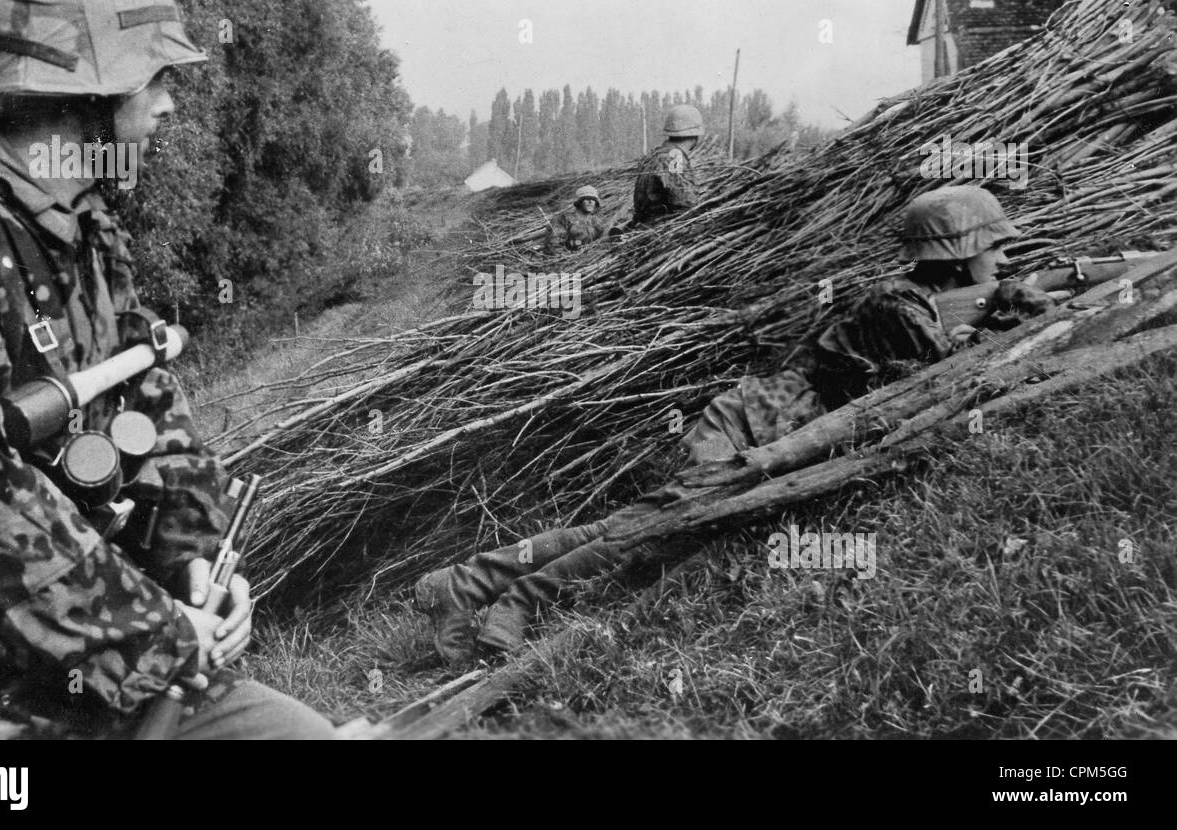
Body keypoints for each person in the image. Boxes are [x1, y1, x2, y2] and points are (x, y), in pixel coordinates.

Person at [0, 0, 337, 739]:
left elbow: (153, 404)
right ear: (84, 100)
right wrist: (156, 633)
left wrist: (195, 559)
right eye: (153, 81)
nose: (167, 107)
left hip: (111, 665)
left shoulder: (89, 229)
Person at [414, 185, 1053, 667]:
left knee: (639, 525)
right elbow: (946, 378)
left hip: (772, 430)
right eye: (996, 246)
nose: (1004, 257)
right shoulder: (896, 304)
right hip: (750, 426)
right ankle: (510, 598)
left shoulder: (914, 304)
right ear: (958, 253)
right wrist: (1010, 315)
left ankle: (471, 585)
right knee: (660, 527)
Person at [630, 105, 702, 225]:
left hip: (647, 226)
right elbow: (685, 203)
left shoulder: (655, 155)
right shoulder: (674, 156)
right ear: (695, 134)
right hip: (662, 229)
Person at [543, 185, 607, 254]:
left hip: (593, 258)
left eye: (594, 199)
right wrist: (572, 257)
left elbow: (603, 242)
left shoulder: (597, 222)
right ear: (579, 201)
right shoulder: (564, 219)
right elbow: (554, 245)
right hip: (569, 260)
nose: (591, 201)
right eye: (587, 198)